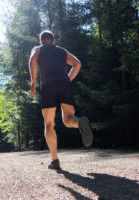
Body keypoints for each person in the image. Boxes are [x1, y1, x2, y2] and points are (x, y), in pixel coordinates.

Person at [29, 30, 93, 170]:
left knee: (49, 124)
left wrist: (33, 84)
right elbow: (77, 64)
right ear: (53, 41)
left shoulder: (38, 49)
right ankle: (80, 123)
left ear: (42, 41)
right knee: (69, 120)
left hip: (48, 87)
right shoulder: (62, 51)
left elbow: (33, 60)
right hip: (65, 85)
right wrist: (67, 79)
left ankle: (55, 160)